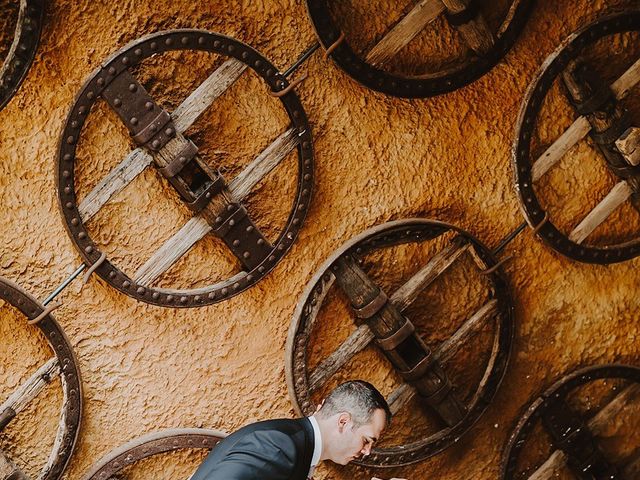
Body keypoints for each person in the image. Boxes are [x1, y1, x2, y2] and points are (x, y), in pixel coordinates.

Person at [190, 380, 407, 480]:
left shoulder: (298, 449)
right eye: (367, 440)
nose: (367, 451)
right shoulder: (278, 447)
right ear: (343, 422)